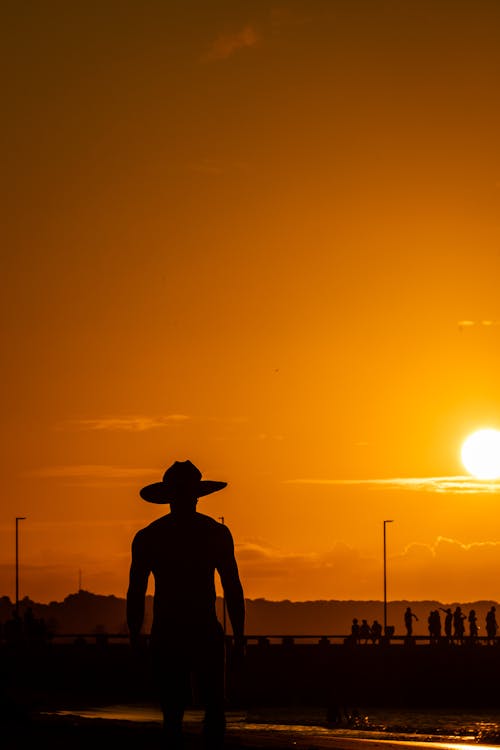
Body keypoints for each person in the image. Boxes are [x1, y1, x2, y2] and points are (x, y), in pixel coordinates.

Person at [127, 460, 245, 750]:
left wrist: (135, 634)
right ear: (197, 495)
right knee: (213, 707)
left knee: (174, 713)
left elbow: (136, 591)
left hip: (170, 631)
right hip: (200, 629)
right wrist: (239, 635)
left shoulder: (150, 536)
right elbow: (232, 586)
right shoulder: (214, 533)